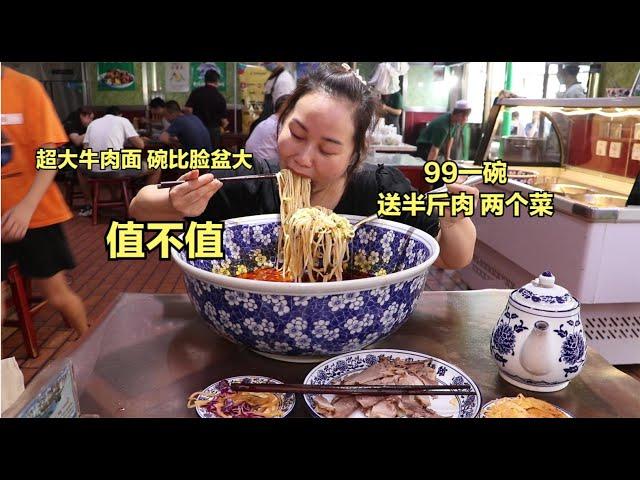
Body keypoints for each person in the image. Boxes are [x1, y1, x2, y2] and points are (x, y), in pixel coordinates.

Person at [130, 63, 478, 270]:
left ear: (356, 155)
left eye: (327, 150)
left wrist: (454, 219)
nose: (302, 157)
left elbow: (452, 258)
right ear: (280, 122)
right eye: (296, 134)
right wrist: (176, 201)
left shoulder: (381, 190)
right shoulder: (251, 179)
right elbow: (141, 206)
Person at [1, 66, 89, 337]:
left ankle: (89, 346)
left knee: (57, 295)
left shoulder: (25, 88)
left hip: (36, 214)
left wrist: (26, 208)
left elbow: (50, 157)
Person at [81, 106, 159, 202]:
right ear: (120, 115)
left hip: (95, 170)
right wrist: (141, 140)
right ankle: (144, 201)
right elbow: (140, 145)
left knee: (81, 169)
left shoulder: (93, 123)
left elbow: (85, 148)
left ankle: (89, 203)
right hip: (116, 169)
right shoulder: (123, 120)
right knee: (156, 168)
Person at [416, 100, 472, 188]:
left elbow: (450, 139)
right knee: (439, 174)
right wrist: (430, 170)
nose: (466, 119)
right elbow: (434, 150)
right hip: (425, 147)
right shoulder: (443, 126)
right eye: (465, 116)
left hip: (435, 148)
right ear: (459, 115)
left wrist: (447, 158)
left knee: (446, 168)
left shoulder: (454, 122)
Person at [60, 106, 95, 216]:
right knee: (84, 168)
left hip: (78, 154)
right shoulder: (72, 123)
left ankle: (98, 201)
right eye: (90, 118)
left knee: (102, 163)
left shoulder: (84, 125)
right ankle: (89, 203)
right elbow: (77, 141)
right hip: (65, 157)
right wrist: (91, 131)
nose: (91, 122)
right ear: (82, 116)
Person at [185, 69, 227, 148]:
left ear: (205, 80)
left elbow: (188, 110)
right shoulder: (220, 97)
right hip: (213, 131)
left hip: (197, 129)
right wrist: (223, 125)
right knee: (212, 154)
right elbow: (224, 120)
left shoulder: (196, 92)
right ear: (217, 81)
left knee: (197, 152)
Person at [250, 63, 296, 134]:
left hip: (276, 129)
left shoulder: (284, 80)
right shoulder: (273, 77)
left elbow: (285, 110)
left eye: (267, 62)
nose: (263, 64)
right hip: (268, 125)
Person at [244, 94, 290, 161]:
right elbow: (289, 153)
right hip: (265, 167)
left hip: (251, 163)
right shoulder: (279, 127)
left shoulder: (267, 122)